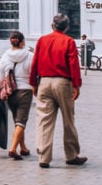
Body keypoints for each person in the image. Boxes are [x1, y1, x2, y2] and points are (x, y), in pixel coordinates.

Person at [29, 13, 86, 168]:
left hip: (44, 82)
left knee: (44, 120)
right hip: (63, 83)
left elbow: (35, 62)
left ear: (52, 26)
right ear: (66, 27)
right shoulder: (69, 41)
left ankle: (44, 157)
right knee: (68, 120)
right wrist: (76, 85)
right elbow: (73, 64)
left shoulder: (42, 40)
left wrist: (33, 83)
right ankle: (71, 155)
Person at [0, 30, 34, 160]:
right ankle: (12, 149)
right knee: (21, 122)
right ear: (22, 42)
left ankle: (23, 147)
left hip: (10, 92)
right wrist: (36, 87)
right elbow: (35, 74)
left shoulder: (5, 56)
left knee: (17, 120)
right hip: (25, 91)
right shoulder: (29, 55)